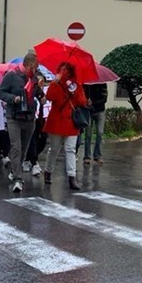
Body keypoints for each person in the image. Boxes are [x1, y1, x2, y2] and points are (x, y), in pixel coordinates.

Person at [0, 51, 42, 192]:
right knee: (16, 147)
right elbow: (0, 93)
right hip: (14, 117)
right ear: (28, 65)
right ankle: (18, 179)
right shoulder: (11, 76)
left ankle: (14, 170)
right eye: (35, 66)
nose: (36, 69)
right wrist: (13, 98)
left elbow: (38, 95)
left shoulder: (34, 78)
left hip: (29, 118)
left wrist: (41, 95)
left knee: (24, 149)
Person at [43, 62, 87, 191]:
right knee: (54, 149)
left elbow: (83, 102)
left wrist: (75, 93)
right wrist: (54, 82)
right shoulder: (56, 84)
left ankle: (72, 177)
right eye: (62, 70)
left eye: (66, 70)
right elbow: (50, 96)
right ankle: (48, 171)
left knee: (70, 149)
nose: (64, 73)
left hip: (71, 123)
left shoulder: (76, 84)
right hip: (56, 122)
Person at [82, 81, 108, 165]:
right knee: (88, 135)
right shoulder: (86, 84)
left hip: (100, 111)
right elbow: (82, 95)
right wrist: (86, 101)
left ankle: (97, 156)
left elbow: (104, 98)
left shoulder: (102, 83)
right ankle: (87, 156)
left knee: (100, 133)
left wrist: (93, 103)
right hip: (89, 111)